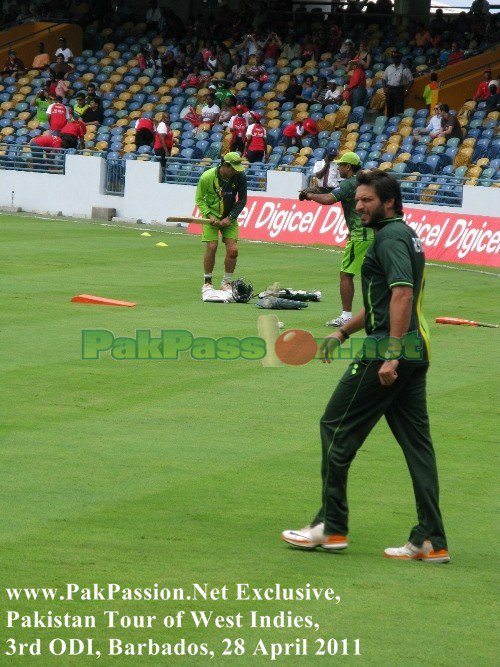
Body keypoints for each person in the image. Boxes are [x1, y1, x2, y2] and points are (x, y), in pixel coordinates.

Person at [282, 169, 450, 564]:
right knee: (418, 448)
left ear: (389, 202)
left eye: (366, 201)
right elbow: (381, 302)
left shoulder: (389, 237)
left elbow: (401, 295)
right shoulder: (404, 233)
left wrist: (390, 353)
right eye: (356, 201)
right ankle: (431, 540)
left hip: (388, 351)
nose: (357, 207)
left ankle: (331, 526)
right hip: (416, 348)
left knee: (334, 427)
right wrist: (343, 333)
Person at [300, 152, 374, 328]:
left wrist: (309, 195)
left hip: (361, 235)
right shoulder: (365, 183)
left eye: (340, 165)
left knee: (346, 274)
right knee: (375, 275)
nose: (338, 168)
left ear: (348, 167)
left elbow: (328, 199)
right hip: (374, 232)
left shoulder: (350, 183)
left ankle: (346, 316)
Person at [195, 152, 248, 292]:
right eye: (234, 168)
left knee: (233, 250)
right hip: (211, 217)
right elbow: (199, 200)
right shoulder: (207, 177)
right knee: (212, 247)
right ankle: (207, 282)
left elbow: (242, 200)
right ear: (225, 165)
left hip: (229, 217)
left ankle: (226, 282)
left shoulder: (240, 177)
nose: (237, 171)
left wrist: (230, 217)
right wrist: (209, 214)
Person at [382, 49, 413, 118]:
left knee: (399, 109)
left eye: (396, 57)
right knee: (389, 108)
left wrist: (407, 90)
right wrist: (384, 88)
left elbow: (411, 80)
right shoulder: (389, 68)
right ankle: (389, 123)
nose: (394, 59)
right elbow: (384, 79)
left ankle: (398, 123)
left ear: (400, 58)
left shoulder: (404, 69)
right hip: (390, 89)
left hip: (399, 90)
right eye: (393, 57)